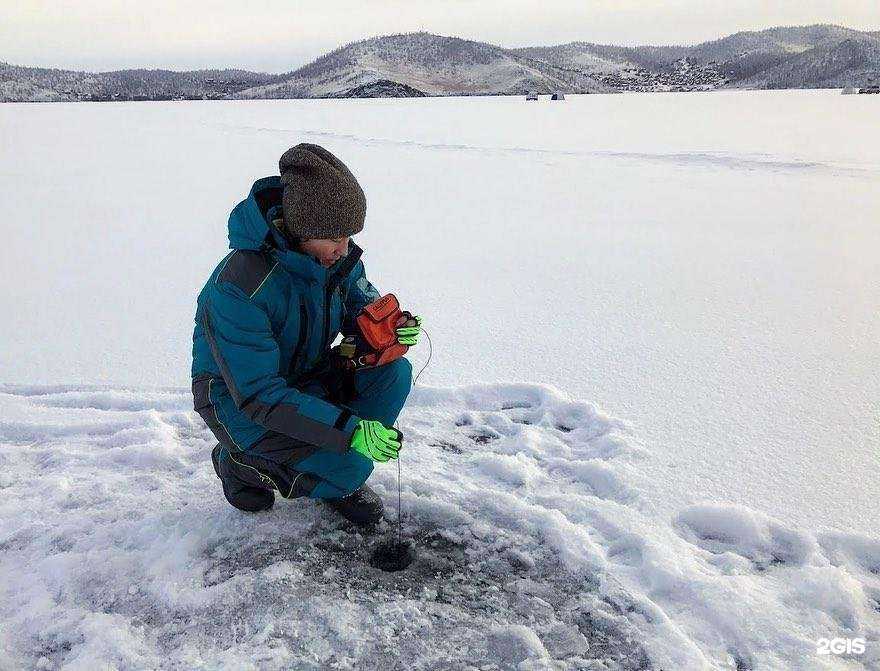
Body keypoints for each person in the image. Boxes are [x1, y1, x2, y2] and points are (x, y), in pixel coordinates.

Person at [191, 143, 422, 526]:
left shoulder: (333, 259)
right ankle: (239, 463)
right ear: (302, 229)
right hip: (238, 402)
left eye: (348, 236)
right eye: (335, 238)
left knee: (393, 374)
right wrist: (348, 432)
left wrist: (387, 329)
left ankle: (332, 468)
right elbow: (258, 395)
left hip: (306, 374)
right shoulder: (239, 287)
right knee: (350, 464)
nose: (344, 249)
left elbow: (359, 312)